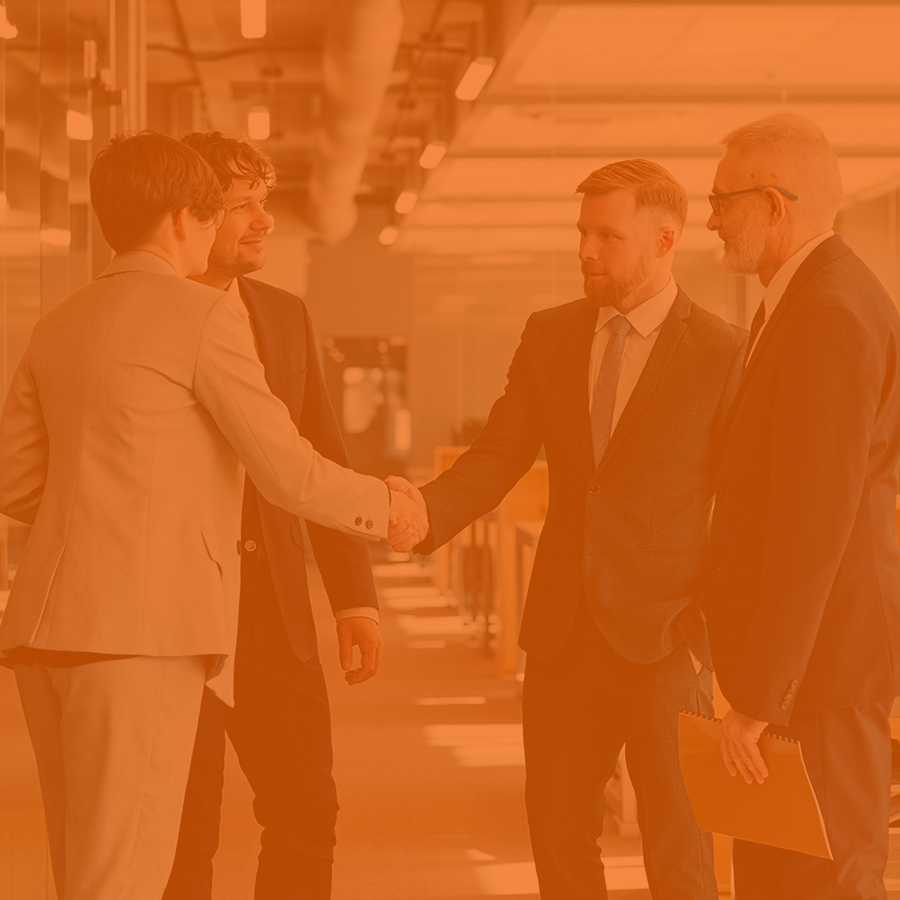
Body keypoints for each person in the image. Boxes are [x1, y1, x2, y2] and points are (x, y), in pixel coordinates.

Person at [0, 131, 424, 900]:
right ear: (181, 218)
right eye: (219, 210)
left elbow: (17, 481)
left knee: (85, 868)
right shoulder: (197, 315)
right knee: (129, 873)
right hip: (148, 634)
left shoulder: (59, 320)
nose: (241, 222)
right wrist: (388, 508)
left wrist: (116, 507)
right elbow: (287, 470)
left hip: (48, 631)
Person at [389, 159, 746, 900]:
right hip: (562, 638)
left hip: (665, 643)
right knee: (559, 843)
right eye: (582, 233)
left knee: (679, 853)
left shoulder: (722, 352)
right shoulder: (550, 334)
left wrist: (710, 631)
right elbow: (498, 454)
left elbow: (746, 506)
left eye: (607, 237)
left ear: (665, 240)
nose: (585, 251)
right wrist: (426, 513)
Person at [161, 132, 379, 900]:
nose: (264, 222)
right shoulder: (144, 314)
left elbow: (323, 450)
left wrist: (353, 597)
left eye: (266, 203)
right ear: (187, 215)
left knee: (305, 814)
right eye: (241, 207)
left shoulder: (282, 314)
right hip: (176, 620)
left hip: (275, 617)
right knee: (184, 835)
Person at [705, 112, 900, 899]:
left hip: (818, 673)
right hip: (798, 668)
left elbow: (814, 523)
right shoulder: (804, 300)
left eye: (721, 201)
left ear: (774, 204)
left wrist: (758, 696)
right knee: (776, 875)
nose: (711, 219)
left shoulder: (828, 312)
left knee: (822, 878)